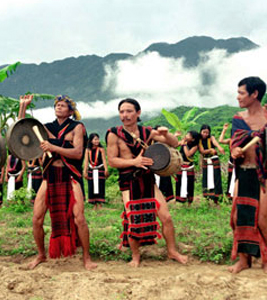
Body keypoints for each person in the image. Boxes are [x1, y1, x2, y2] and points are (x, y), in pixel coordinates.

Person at [106, 98, 188, 267]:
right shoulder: (113, 134)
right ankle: (135, 256)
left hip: (148, 179)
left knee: (166, 216)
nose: (125, 115)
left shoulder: (147, 132)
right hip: (128, 181)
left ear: (138, 113)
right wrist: (133, 162)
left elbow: (174, 143)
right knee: (133, 218)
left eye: (129, 111)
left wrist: (165, 134)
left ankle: (172, 251)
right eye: (122, 112)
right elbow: (113, 161)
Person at [19, 94, 97, 270]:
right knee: (37, 218)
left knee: (79, 218)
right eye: (57, 105)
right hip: (50, 174)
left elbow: (77, 153)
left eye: (63, 105)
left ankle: (86, 257)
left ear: (70, 111)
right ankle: (41, 255)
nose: (59, 107)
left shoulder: (77, 128)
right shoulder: (45, 128)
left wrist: (53, 147)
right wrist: (23, 107)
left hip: (70, 174)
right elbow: (22, 130)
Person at [229, 76, 267, 274]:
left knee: (261, 219)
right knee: (238, 217)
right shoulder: (238, 118)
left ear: (254, 94)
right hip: (243, 172)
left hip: (264, 176)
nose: (238, 97)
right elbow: (234, 145)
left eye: (242, 93)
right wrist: (235, 151)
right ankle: (244, 260)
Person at [199, 124, 225, 204]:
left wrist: (219, 148)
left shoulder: (211, 137)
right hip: (206, 161)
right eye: (204, 132)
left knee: (216, 178)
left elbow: (215, 143)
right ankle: (208, 198)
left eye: (207, 132)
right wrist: (211, 150)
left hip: (214, 160)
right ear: (201, 132)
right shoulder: (198, 140)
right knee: (206, 179)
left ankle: (217, 198)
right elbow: (202, 151)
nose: (205, 134)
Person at [83, 133, 109, 209]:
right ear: (91, 140)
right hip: (91, 170)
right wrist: (85, 171)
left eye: (97, 139)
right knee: (91, 186)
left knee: (100, 186)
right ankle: (94, 203)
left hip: (100, 169)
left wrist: (106, 169)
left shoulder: (101, 149)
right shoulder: (87, 150)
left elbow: (104, 160)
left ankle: (100, 203)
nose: (97, 141)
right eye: (95, 139)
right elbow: (86, 161)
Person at [175, 131, 200, 204]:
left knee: (189, 184)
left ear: (193, 139)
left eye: (189, 135)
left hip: (189, 166)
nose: (186, 136)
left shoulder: (195, 146)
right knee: (178, 182)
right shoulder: (183, 142)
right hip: (180, 165)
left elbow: (188, 154)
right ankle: (179, 199)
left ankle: (189, 201)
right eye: (187, 134)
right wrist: (175, 136)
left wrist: (184, 145)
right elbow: (174, 145)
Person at [218, 123, 235, 200]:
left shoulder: (242, 141)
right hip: (231, 162)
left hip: (240, 163)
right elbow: (220, 140)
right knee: (231, 178)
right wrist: (224, 130)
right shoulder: (230, 140)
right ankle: (230, 196)